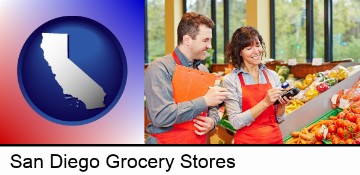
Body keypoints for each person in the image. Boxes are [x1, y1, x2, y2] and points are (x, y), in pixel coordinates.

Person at [144, 12, 228, 144]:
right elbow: (161, 116)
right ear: (187, 40)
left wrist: (212, 122)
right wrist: (204, 101)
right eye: (205, 40)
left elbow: (212, 107)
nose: (210, 46)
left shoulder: (202, 70)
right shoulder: (159, 68)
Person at [221, 26, 291, 144]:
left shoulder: (272, 75)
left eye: (258, 45)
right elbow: (235, 122)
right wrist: (265, 102)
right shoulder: (230, 80)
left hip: (275, 139)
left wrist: (281, 106)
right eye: (249, 48)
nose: (256, 51)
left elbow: (279, 118)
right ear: (239, 52)